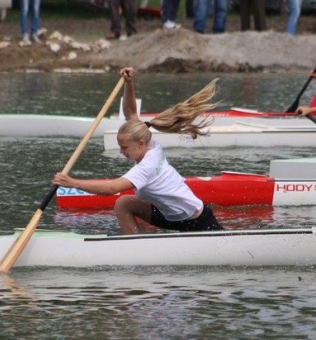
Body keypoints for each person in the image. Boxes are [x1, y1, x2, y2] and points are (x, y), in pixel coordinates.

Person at [53, 67, 224, 234]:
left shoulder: (146, 167)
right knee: (124, 204)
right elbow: (131, 113)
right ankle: (134, 246)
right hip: (170, 216)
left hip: (196, 221)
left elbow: (112, 188)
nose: (121, 152)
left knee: (122, 200)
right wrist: (129, 83)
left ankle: (136, 247)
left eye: (124, 147)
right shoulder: (150, 143)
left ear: (140, 144)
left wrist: (73, 183)